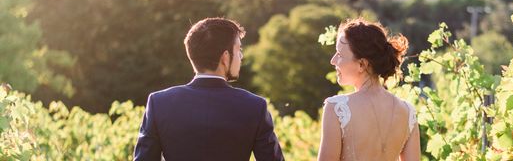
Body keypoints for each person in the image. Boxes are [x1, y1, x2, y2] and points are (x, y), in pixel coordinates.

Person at [134, 17, 285, 161]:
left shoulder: (159, 103)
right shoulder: (255, 106)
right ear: (225, 58)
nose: (241, 56)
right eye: (239, 49)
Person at [317, 18, 420, 161]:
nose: (333, 60)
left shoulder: (336, 108)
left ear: (362, 64)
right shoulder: (408, 112)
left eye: (339, 54)